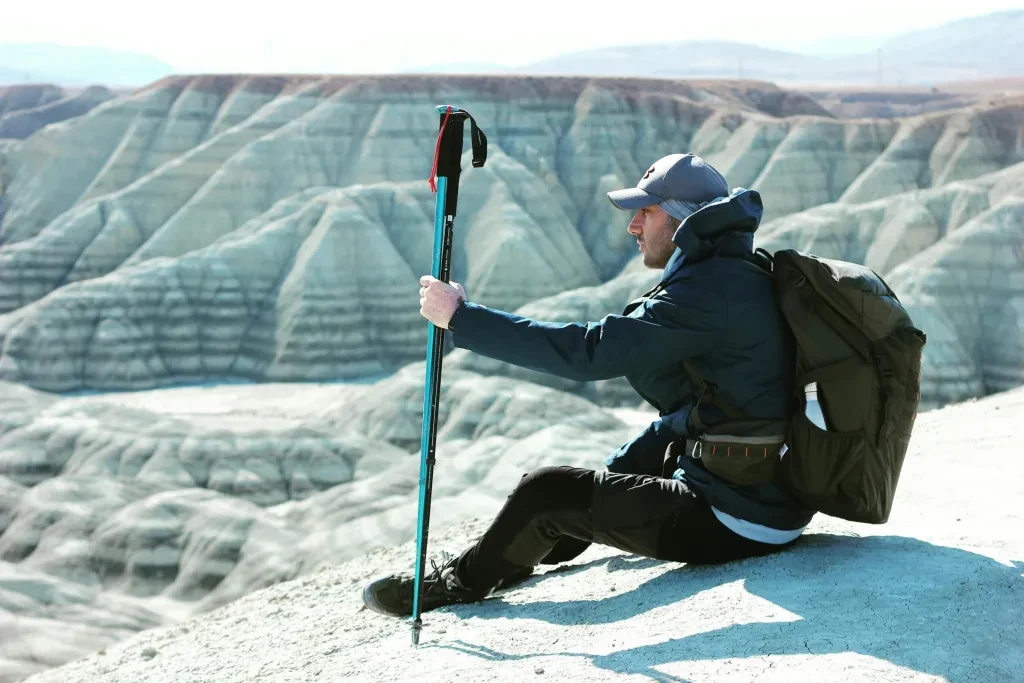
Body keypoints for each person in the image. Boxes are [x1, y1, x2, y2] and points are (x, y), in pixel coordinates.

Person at [362, 153, 814, 618]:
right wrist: (605, 483)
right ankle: (535, 544)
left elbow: (588, 353)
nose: (633, 226)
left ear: (683, 221)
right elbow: (696, 409)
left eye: (646, 212)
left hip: (738, 517)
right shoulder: (734, 271)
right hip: (762, 494)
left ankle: (455, 586)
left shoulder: (708, 293)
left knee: (544, 492)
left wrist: (461, 318)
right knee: (588, 484)